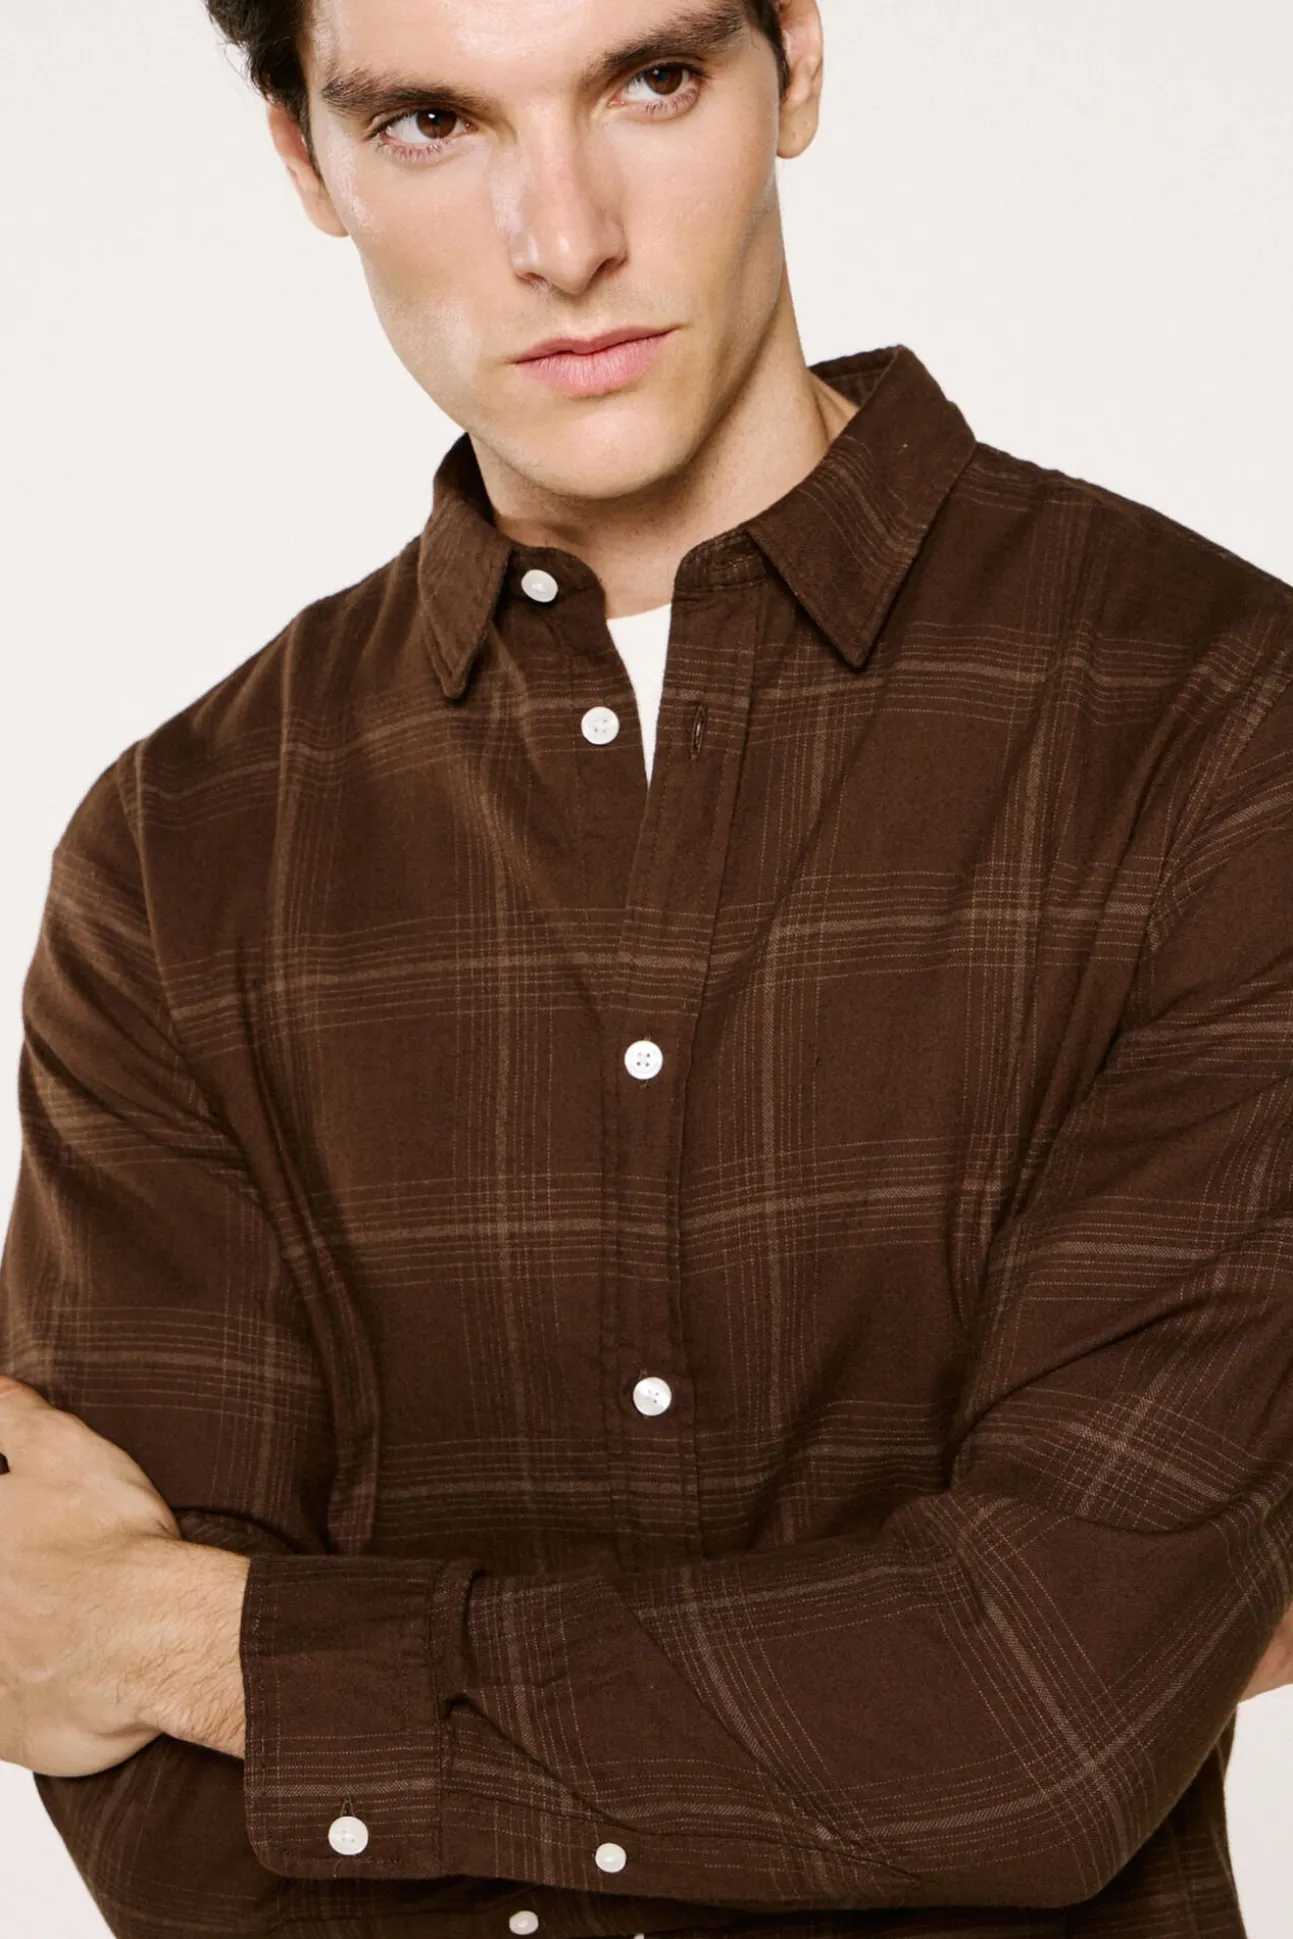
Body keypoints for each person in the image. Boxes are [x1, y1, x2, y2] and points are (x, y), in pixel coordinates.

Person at [1, 2, 1292, 1936]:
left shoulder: (1218, 727)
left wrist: (214, 1642)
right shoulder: (176, 857)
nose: (565, 234)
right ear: (303, 159)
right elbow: (159, 1808)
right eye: (432, 122)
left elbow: (1038, 1719)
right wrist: (854, 1712)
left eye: (651, 80)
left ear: (799, 61)